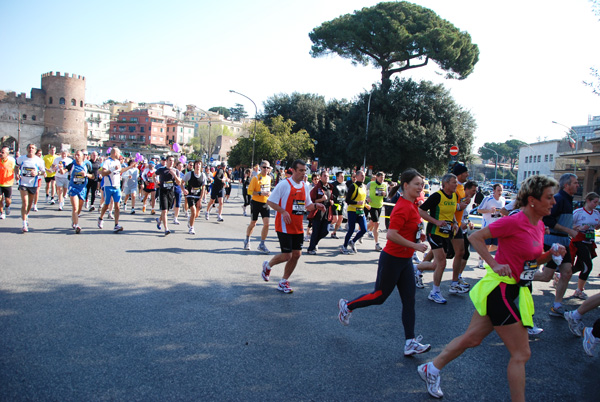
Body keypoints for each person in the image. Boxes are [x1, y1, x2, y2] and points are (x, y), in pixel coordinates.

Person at [418, 175, 565, 401]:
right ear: (532, 200)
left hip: (516, 289)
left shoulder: (540, 225)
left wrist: (551, 256)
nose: (553, 202)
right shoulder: (515, 221)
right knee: (521, 353)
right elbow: (476, 236)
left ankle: (432, 368)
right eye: (549, 197)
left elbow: (531, 261)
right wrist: (494, 263)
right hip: (501, 291)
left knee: (472, 338)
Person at [338, 169, 431, 356]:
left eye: (422, 184)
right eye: (417, 184)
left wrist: (418, 234)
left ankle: (410, 342)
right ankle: (347, 306)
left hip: (405, 260)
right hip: (392, 259)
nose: (421, 187)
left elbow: (411, 228)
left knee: (409, 300)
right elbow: (391, 235)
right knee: (379, 296)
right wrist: (414, 244)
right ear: (406, 185)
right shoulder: (402, 206)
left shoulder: (413, 205)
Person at [261, 159, 325, 293]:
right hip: (284, 225)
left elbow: (306, 205)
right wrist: (283, 211)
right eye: (301, 170)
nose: (303, 173)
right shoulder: (284, 184)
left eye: (304, 170)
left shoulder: (304, 186)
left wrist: (316, 206)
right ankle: (268, 265)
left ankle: (283, 281)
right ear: (294, 170)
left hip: (298, 226)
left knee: (296, 254)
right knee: (287, 255)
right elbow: (270, 201)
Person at [535, 173, 579, 317]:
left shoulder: (568, 200)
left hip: (564, 242)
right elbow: (548, 220)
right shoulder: (559, 199)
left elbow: (562, 220)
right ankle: (518, 276)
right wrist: (568, 230)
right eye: (575, 182)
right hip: (552, 242)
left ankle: (557, 305)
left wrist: (573, 228)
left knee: (567, 272)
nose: (578, 185)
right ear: (566, 185)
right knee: (546, 276)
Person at [418, 173, 458, 304]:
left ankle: (415, 268)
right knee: (442, 263)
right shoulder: (437, 196)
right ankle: (434, 292)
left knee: (436, 264)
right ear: (445, 183)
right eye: (453, 182)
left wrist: (455, 223)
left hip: (446, 233)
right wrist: (435, 221)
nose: (456, 184)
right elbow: (421, 211)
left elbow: (451, 213)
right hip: (434, 232)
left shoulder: (454, 196)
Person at [568, 191, 600, 299]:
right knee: (588, 265)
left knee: (579, 266)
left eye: (597, 203)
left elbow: (596, 227)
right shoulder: (578, 212)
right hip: (579, 240)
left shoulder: (596, 213)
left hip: (589, 241)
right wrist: (580, 228)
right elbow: (568, 225)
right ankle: (579, 290)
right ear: (588, 201)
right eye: (594, 202)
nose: (596, 204)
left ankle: (562, 275)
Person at [97, 147, 135, 232]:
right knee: (106, 205)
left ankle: (116, 225)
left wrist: (130, 167)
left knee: (117, 206)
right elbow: (103, 173)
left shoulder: (118, 162)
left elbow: (121, 170)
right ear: (114, 153)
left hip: (117, 187)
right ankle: (100, 218)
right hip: (108, 186)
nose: (120, 155)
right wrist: (112, 169)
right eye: (119, 153)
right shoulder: (107, 162)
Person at [449, 164, 473, 294]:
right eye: (465, 173)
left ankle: (455, 282)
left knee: (461, 252)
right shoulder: (454, 187)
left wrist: (465, 204)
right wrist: (460, 206)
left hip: (457, 225)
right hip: (450, 224)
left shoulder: (462, 187)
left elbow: (461, 205)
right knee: (440, 257)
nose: (467, 175)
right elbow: (449, 205)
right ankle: (418, 269)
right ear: (459, 174)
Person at [15, 144, 45, 232]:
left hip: (33, 184)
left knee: (29, 204)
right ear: (27, 149)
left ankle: (26, 215)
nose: (31, 149)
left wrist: (37, 173)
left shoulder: (39, 160)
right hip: (23, 184)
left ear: (35, 150)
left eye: (32, 148)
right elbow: (16, 167)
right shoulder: (21, 158)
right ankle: (24, 224)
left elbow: (43, 172)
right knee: (25, 202)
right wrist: (17, 173)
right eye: (29, 148)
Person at [244, 160, 272, 253]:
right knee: (253, 223)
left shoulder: (269, 178)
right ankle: (247, 239)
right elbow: (249, 191)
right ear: (260, 168)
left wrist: (269, 193)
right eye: (264, 167)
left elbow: (268, 189)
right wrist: (260, 193)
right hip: (255, 202)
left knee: (267, 224)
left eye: (267, 167)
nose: (266, 169)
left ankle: (262, 244)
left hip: (265, 203)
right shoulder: (255, 178)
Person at [62, 150, 93, 233]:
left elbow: (93, 176)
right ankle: (76, 225)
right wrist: (61, 170)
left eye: (78, 155)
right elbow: (64, 170)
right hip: (73, 188)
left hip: (82, 189)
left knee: (79, 208)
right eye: (75, 155)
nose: (76, 157)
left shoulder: (87, 164)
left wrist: (86, 175)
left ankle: (74, 219)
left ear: (83, 156)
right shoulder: (72, 164)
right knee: (75, 207)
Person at [476, 183, 506, 267]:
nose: (500, 192)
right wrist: (489, 210)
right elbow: (479, 210)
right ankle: (481, 261)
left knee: (495, 246)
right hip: (488, 226)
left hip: (498, 227)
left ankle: (482, 254)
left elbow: (503, 211)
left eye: (501, 190)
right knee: (487, 245)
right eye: (498, 190)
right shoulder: (488, 199)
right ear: (494, 191)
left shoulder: (503, 200)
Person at [341, 170, 370, 254]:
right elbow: (347, 200)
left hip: (361, 211)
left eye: (364, 175)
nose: (363, 177)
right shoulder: (353, 186)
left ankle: (353, 241)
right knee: (351, 229)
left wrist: (366, 205)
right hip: (352, 210)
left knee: (364, 229)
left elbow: (363, 200)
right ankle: (344, 246)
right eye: (361, 175)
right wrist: (357, 203)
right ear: (356, 177)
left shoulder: (364, 186)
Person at [154, 155, 183, 236]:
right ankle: (166, 228)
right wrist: (156, 183)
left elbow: (179, 182)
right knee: (164, 210)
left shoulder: (176, 171)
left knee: (167, 210)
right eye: (170, 160)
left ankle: (159, 220)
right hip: (163, 191)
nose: (171, 162)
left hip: (171, 192)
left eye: (173, 161)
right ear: (166, 161)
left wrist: (174, 175)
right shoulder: (161, 170)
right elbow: (154, 175)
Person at [307, 170, 332, 254]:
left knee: (326, 231)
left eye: (327, 176)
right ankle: (311, 248)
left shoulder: (330, 187)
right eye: (324, 176)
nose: (326, 177)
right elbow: (311, 201)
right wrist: (321, 199)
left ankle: (315, 242)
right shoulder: (316, 188)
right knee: (316, 231)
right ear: (320, 177)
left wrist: (331, 201)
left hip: (327, 212)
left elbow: (331, 198)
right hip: (317, 212)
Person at [183, 160, 207, 235]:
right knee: (193, 210)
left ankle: (190, 220)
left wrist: (201, 199)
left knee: (196, 215)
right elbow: (182, 182)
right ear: (194, 166)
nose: (197, 165)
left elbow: (203, 188)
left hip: (198, 196)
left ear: (201, 166)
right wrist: (183, 189)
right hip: (190, 195)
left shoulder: (203, 175)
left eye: (199, 164)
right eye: (196, 164)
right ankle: (191, 228)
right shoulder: (189, 174)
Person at [366, 172, 388, 251]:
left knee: (372, 222)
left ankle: (361, 231)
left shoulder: (384, 185)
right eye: (381, 178)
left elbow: (386, 195)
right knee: (377, 223)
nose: (382, 179)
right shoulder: (370, 184)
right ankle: (377, 243)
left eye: (383, 178)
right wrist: (367, 197)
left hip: (379, 205)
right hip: (372, 206)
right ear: (377, 177)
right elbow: (364, 191)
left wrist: (385, 194)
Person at [329, 172, 347, 239]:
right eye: (341, 176)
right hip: (334, 204)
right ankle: (326, 225)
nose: (343, 178)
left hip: (341, 204)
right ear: (337, 177)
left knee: (340, 219)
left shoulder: (344, 185)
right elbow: (329, 193)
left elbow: (346, 193)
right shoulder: (333, 185)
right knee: (335, 219)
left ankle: (334, 232)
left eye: (343, 176)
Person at [0, 146, 16, 220]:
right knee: (0, 198)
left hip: (8, 183)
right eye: (0, 152)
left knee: (7, 200)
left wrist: (17, 176)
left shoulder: (12, 161)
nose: (1, 153)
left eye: (2, 152)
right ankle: (2, 212)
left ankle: (7, 206)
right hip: (0, 183)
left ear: (7, 154)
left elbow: (15, 169)